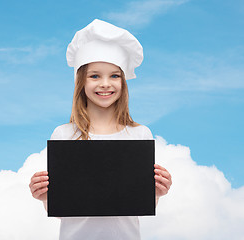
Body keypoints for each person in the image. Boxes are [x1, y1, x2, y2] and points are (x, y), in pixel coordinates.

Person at [29, 19, 172, 240]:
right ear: (81, 82)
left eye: (114, 75)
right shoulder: (64, 135)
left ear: (123, 83)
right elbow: (62, 208)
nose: (105, 84)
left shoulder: (139, 134)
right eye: (95, 75)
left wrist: (157, 193)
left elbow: (137, 203)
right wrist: (44, 196)